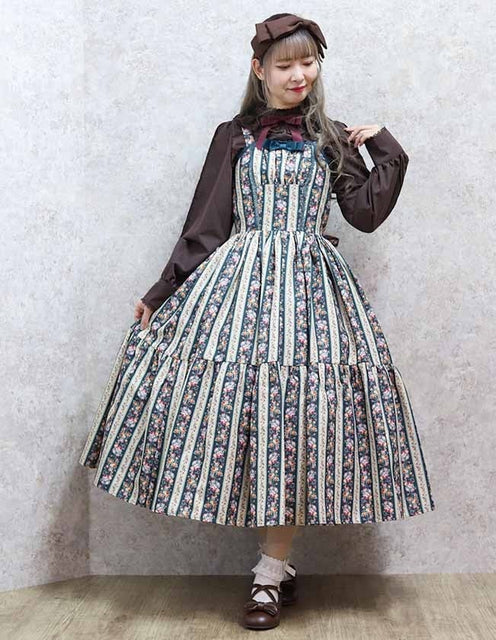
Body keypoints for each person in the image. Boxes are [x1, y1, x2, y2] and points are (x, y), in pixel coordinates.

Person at [78, 12, 436, 631]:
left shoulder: (331, 138)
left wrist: (385, 149)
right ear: (259, 69)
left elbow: (365, 214)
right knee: (252, 422)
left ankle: (269, 577)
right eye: (285, 64)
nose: (299, 75)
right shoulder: (235, 136)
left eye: (308, 62)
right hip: (239, 289)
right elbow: (206, 224)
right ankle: (276, 570)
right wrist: (163, 290)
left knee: (295, 424)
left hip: (312, 299)